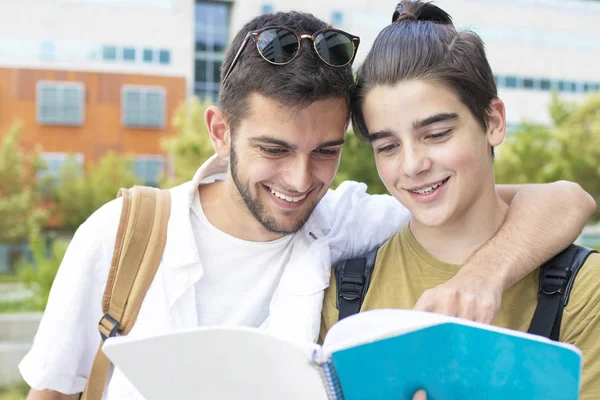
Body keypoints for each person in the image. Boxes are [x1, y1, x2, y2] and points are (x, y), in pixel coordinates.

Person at [22, 10, 595, 400]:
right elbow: (50, 391)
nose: (300, 181)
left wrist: (485, 274)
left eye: (325, 151)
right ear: (220, 132)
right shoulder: (123, 234)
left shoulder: (344, 220)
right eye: (273, 149)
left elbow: (562, 200)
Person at [320, 1, 600, 398]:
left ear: (494, 122)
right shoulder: (342, 294)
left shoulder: (586, 291)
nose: (413, 165)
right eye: (388, 146)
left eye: (437, 134)